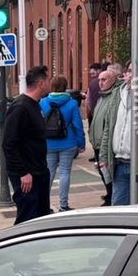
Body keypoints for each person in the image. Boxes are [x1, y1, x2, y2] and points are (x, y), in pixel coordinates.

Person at [1, 65, 53, 223]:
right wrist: (23, 173)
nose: (50, 84)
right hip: (27, 176)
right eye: (48, 81)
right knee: (27, 219)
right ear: (41, 83)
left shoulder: (35, 105)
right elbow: (8, 143)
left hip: (39, 172)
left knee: (41, 218)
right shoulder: (20, 108)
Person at [40, 75, 86, 212]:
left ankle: (44, 204)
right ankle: (63, 205)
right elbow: (78, 125)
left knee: (49, 173)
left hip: (48, 143)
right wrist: (81, 143)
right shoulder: (71, 103)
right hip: (68, 142)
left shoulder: (43, 102)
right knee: (65, 173)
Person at [89, 63, 124, 207]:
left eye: (104, 80)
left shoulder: (114, 97)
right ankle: (109, 194)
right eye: (100, 80)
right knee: (104, 173)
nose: (100, 83)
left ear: (114, 80)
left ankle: (111, 197)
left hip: (106, 144)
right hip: (97, 143)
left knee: (109, 173)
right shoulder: (102, 96)